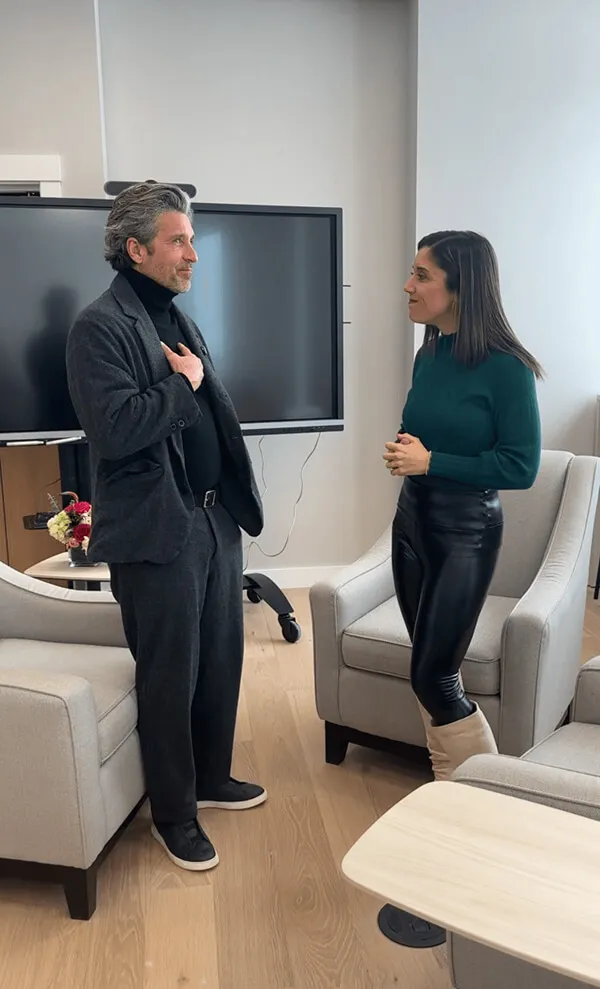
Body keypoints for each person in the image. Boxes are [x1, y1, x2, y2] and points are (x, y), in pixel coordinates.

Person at [66, 182, 266, 871]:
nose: (193, 254)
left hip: (213, 518)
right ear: (136, 249)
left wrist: (193, 382)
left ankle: (211, 775)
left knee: (220, 659)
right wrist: (182, 387)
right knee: (170, 674)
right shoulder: (99, 326)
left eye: (190, 239)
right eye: (179, 241)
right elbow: (116, 430)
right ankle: (174, 813)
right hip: (158, 529)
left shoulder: (174, 314)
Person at [383, 230, 542, 780]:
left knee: (435, 677)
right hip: (411, 525)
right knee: (425, 668)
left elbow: (520, 466)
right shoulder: (430, 351)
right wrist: (409, 447)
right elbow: (425, 429)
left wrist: (433, 463)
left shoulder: (508, 368)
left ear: (461, 288)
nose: (407, 285)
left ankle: (482, 796)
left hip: (465, 534)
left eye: (421, 276)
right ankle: (447, 787)